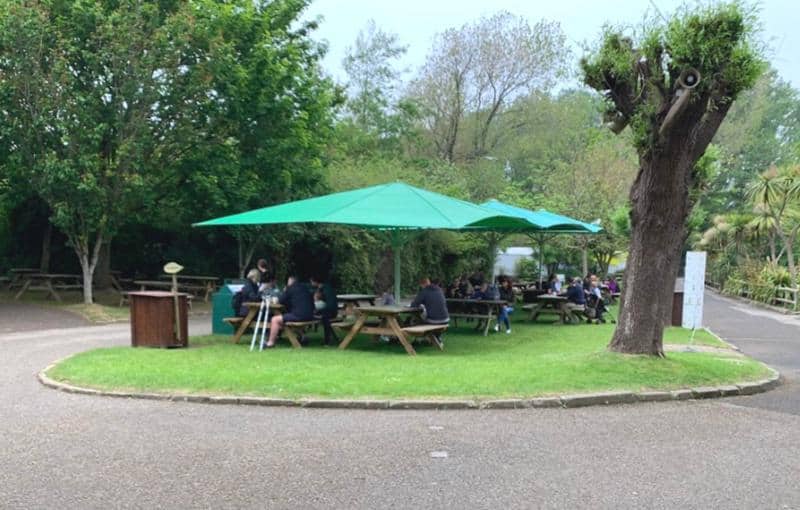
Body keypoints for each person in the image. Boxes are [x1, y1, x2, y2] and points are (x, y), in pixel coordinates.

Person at [264, 276, 315, 348]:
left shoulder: (290, 289)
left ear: (290, 282)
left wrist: (285, 291)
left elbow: (279, 301)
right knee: (287, 317)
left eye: (288, 282)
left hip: (299, 315)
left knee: (275, 319)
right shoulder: (305, 288)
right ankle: (303, 336)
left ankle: (270, 343)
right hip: (310, 315)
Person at [310, 275, 339, 346]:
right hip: (334, 311)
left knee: (324, 319)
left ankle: (327, 341)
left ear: (315, 282)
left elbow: (317, 299)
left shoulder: (322, 289)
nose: (311, 283)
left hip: (329, 311)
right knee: (320, 316)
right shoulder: (327, 287)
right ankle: (329, 339)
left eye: (311, 281)